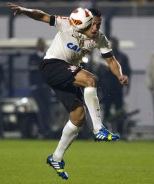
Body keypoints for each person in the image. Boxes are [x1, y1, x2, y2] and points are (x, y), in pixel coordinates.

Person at [7, 3, 128, 180]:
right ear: (84, 22)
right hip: (52, 65)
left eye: (98, 25)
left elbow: (111, 61)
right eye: (92, 24)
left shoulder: (100, 38)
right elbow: (42, 16)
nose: (95, 28)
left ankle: (56, 157)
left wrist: (120, 75)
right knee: (90, 79)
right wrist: (24, 10)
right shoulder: (67, 23)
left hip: (67, 72)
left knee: (78, 116)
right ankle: (98, 129)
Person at [101, 37, 131, 137]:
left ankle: (120, 131)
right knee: (107, 110)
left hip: (118, 88)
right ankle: (105, 131)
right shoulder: (104, 57)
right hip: (107, 89)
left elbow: (127, 72)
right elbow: (100, 74)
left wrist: (127, 87)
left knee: (119, 111)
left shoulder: (123, 57)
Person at [29, 38, 52, 138]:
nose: (41, 45)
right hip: (37, 87)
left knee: (48, 109)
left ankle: (47, 130)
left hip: (46, 87)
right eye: (39, 44)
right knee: (41, 109)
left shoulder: (48, 56)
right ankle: (42, 130)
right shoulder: (32, 57)